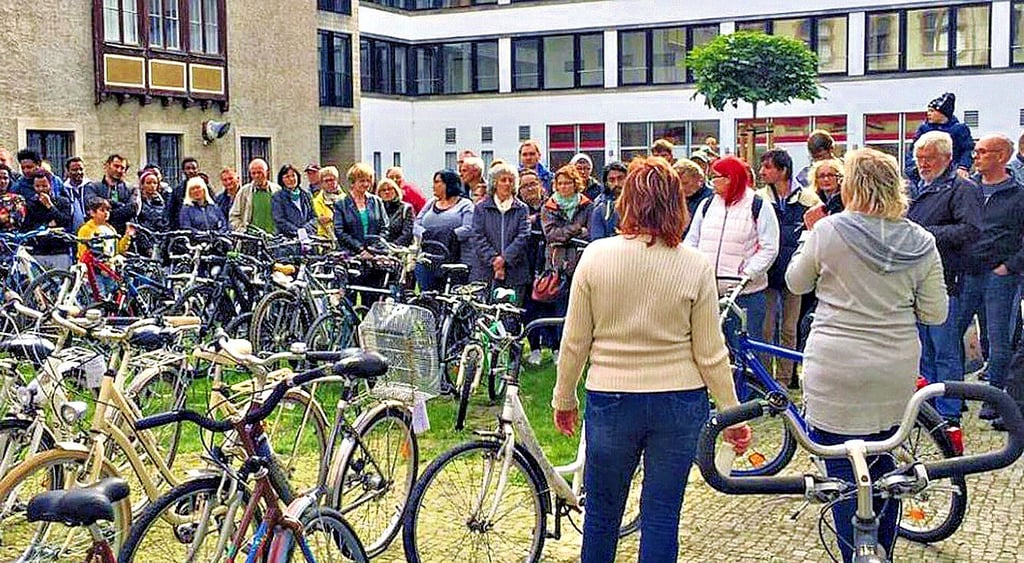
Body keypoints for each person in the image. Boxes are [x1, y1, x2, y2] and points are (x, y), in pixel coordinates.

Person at [552, 156, 750, 563]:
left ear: (627, 201)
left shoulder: (595, 256)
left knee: (601, 515)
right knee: (661, 516)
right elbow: (711, 353)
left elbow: (574, 341)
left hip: (612, 395)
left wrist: (564, 397)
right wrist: (733, 415)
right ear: (676, 204)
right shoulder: (694, 264)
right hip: (679, 399)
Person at [786, 147, 947, 563]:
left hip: (835, 363)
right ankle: (883, 551)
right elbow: (936, 312)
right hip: (893, 366)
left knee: (841, 469)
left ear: (850, 185)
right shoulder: (921, 240)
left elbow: (796, 282)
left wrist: (808, 237)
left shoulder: (829, 230)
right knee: (886, 465)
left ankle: (851, 550)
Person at [907, 131, 983, 431]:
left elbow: (971, 229)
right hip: (916, 278)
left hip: (946, 276)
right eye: (919, 158)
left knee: (946, 349)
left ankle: (948, 412)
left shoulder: (961, 187)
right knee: (922, 348)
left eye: (929, 158)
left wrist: (924, 234)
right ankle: (926, 408)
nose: (923, 164)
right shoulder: (913, 184)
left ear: (947, 158)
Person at [955, 134, 1024, 427]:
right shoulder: (968, 190)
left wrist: (1009, 266)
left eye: (983, 152)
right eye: (976, 151)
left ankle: (995, 400)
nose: (976, 156)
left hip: (1000, 276)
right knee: (950, 333)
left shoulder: (1018, 194)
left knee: (999, 339)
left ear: (1001, 157)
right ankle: (953, 395)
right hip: (967, 273)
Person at [684, 155, 780, 352]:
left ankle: (752, 384)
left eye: (715, 177)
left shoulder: (759, 205)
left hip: (745, 296)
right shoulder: (707, 205)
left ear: (730, 178)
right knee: (709, 351)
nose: (712, 183)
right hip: (708, 294)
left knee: (747, 353)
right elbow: (692, 240)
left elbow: (769, 246)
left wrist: (748, 273)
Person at [758, 148, 821, 386]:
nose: (762, 172)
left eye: (768, 167)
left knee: (789, 328)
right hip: (767, 274)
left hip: (796, 273)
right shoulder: (760, 200)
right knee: (765, 330)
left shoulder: (809, 201)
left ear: (783, 170)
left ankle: (784, 378)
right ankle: (763, 378)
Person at [541, 165, 594, 364]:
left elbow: (590, 232)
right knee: (560, 310)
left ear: (575, 184)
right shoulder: (549, 206)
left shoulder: (587, 205)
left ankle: (583, 351)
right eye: (560, 183)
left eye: (567, 183)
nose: (563, 187)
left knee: (582, 309)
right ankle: (561, 350)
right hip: (558, 264)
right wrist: (576, 229)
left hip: (581, 262)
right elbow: (552, 235)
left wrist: (568, 233)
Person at [470, 162, 530, 301]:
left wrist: (504, 259)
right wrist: (494, 260)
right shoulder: (481, 208)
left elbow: (523, 236)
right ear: (495, 183)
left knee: (510, 318)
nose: (507, 184)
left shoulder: (522, 209)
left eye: (511, 180)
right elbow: (477, 236)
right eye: (503, 180)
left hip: (515, 273)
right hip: (485, 273)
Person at [413, 170, 474, 291]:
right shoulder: (431, 203)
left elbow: (468, 228)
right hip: (428, 258)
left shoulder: (465, 204)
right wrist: (427, 235)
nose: (433, 186)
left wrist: (447, 235)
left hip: (455, 260)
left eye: (437, 182)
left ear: (448, 184)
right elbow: (416, 224)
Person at [905, 92, 974, 183]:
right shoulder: (923, 128)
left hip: (951, 174)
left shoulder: (959, 129)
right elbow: (913, 151)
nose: (928, 114)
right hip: (923, 176)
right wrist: (912, 168)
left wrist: (963, 167)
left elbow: (967, 149)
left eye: (932, 111)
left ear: (943, 113)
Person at [22, 170, 73, 270]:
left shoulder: (63, 202)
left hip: (59, 250)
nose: (41, 189)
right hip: (38, 251)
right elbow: (28, 226)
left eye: (44, 186)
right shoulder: (30, 204)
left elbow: (65, 222)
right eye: (37, 186)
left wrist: (50, 206)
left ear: (51, 185)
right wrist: (47, 225)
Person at [333, 162, 389, 254]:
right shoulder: (341, 204)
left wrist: (372, 249)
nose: (366, 184)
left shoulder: (377, 202)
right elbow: (340, 231)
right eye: (362, 181)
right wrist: (360, 248)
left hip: (375, 254)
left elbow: (385, 227)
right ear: (352, 182)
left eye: (368, 180)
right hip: (351, 254)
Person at [84, 154, 138, 234]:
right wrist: (121, 206)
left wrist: (108, 212)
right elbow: (92, 205)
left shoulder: (131, 189)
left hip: (124, 233)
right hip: (99, 233)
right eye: (116, 166)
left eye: (122, 168)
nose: (119, 170)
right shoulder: (92, 187)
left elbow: (132, 209)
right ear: (107, 165)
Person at [229, 158, 280, 232]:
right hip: (252, 240)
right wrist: (243, 231)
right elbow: (234, 216)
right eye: (253, 173)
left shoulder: (276, 190)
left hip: (275, 238)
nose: (257, 176)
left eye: (260, 172)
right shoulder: (244, 192)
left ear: (267, 172)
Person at [271, 164, 317, 238]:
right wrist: (297, 231)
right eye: (287, 177)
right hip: (287, 241)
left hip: (308, 237)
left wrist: (305, 230)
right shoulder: (277, 197)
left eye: (293, 176)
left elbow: (314, 217)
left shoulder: (306, 195)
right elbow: (279, 220)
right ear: (282, 180)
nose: (291, 179)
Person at [589, 161, 628, 241]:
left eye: (620, 178)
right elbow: (597, 242)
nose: (616, 183)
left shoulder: (639, 205)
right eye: (612, 180)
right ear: (606, 183)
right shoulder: (600, 209)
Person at [134, 169, 168, 256]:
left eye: (155, 183)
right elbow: (137, 226)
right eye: (148, 183)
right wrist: (147, 247)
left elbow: (165, 224)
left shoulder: (162, 202)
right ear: (142, 185)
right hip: (144, 244)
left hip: (160, 243)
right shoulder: (137, 202)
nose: (152, 186)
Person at [675, 158, 712, 232]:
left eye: (685, 183)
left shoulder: (711, 199)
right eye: (678, 184)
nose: (681, 188)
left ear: (700, 179)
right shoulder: (674, 198)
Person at [166, 157, 201, 229]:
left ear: (198, 170)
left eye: (194, 168)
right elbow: (171, 213)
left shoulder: (206, 189)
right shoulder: (177, 191)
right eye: (188, 168)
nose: (191, 171)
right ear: (183, 171)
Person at [377, 178, 413, 247]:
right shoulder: (376, 209)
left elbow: (407, 234)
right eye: (383, 190)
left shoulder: (405, 209)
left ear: (396, 191)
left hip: (398, 250)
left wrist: (392, 246)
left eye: (390, 189)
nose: (387, 192)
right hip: (379, 250)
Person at [312, 165, 343, 243]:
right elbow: (323, 221)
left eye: (332, 180)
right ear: (321, 183)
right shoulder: (317, 201)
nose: (330, 183)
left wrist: (332, 218)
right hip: (325, 241)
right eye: (326, 181)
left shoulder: (345, 199)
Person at [63, 157, 90, 231]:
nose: (79, 172)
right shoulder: (63, 190)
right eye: (74, 170)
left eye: (81, 169)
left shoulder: (91, 187)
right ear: (67, 171)